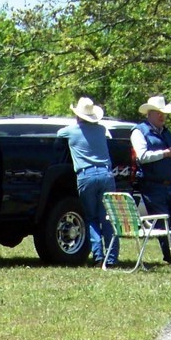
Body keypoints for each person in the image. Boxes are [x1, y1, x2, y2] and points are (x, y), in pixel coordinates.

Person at [58, 96, 119, 267]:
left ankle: (98, 257)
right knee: (107, 217)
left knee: (91, 217)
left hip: (86, 175)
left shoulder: (70, 131)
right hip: (106, 174)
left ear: (77, 115)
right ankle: (112, 258)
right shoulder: (101, 130)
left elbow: (58, 135)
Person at [131, 96, 171, 265]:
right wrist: (165, 153)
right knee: (163, 221)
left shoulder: (165, 132)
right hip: (152, 186)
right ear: (149, 113)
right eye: (158, 112)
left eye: (163, 113)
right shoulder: (139, 131)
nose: (162, 116)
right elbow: (142, 156)